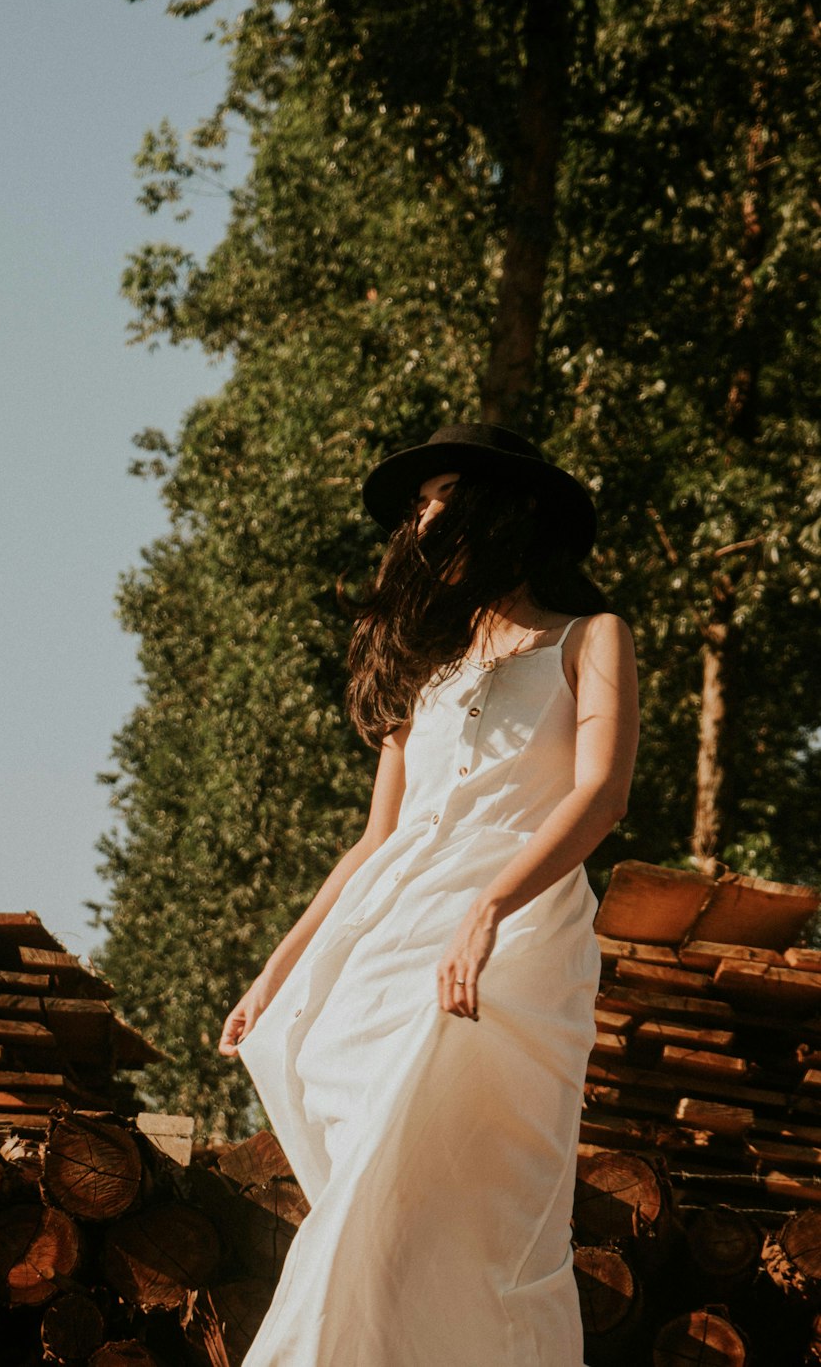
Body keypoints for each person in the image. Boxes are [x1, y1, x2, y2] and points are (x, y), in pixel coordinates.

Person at [218, 422, 639, 1367]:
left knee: (478, 1204)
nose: (427, 518)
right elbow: (379, 838)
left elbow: (601, 794)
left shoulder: (590, 638)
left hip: (515, 935)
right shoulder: (426, 671)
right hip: (393, 929)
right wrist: (276, 970)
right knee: (378, 1183)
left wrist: (490, 908)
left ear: (509, 510)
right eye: (420, 505)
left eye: (446, 495)